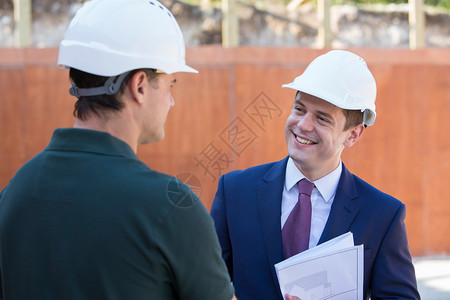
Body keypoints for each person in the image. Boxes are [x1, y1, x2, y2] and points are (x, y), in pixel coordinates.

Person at [0, 0, 235, 299]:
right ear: (139, 86)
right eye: (170, 85)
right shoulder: (170, 206)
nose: (171, 101)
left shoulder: (14, 192)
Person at [210, 50, 420, 300]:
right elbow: (203, 282)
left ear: (353, 134)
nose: (303, 125)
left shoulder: (382, 215)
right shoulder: (235, 191)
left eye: (322, 118)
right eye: (299, 110)